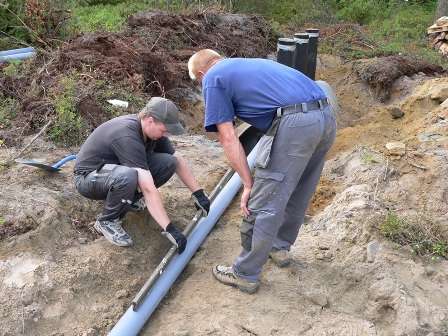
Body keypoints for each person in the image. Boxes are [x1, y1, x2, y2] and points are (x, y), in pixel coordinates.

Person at [187, 49, 337, 293]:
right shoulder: (247, 65)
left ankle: (245, 273)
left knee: (266, 197)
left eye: (198, 82)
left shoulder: (213, 78)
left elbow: (227, 137)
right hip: (326, 116)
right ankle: (279, 247)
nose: (202, 87)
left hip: (296, 124)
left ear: (202, 72)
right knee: (299, 189)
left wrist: (247, 183)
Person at [73, 97, 211, 252]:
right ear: (150, 120)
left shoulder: (152, 132)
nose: (165, 135)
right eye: (164, 130)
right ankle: (107, 221)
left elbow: (177, 160)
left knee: (168, 162)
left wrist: (198, 193)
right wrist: (169, 228)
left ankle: (128, 200)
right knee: (127, 176)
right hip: (88, 178)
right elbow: (147, 187)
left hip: (114, 171)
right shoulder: (127, 134)